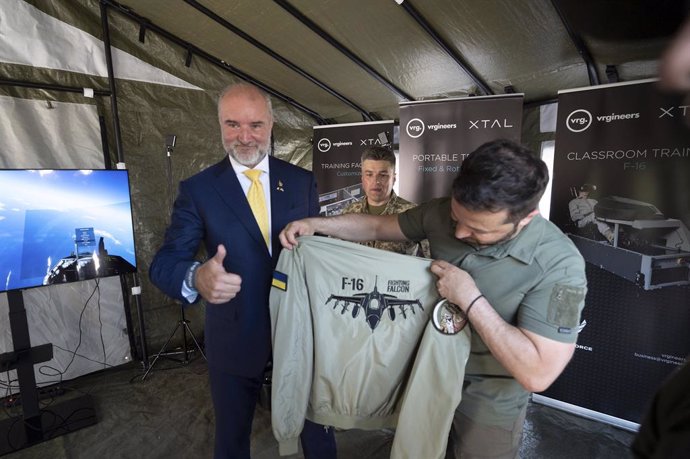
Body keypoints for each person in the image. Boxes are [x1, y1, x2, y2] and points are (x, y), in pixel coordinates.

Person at [279, 138, 588, 458]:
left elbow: (538, 372)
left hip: (488, 399)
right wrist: (315, 224)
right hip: (426, 372)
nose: (458, 235)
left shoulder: (560, 265)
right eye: (456, 219)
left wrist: (471, 300)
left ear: (524, 218)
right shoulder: (440, 212)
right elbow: (374, 226)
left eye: (477, 230)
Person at [149, 83, 336, 459]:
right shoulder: (198, 190)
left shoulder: (301, 182)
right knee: (232, 441)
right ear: (219, 124)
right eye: (233, 125)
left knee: (318, 436)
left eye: (256, 125)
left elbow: (320, 251)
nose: (245, 137)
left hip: (301, 334)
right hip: (234, 338)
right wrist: (196, 277)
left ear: (271, 124)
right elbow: (165, 262)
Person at [341, 146, 428, 256]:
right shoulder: (349, 212)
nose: (376, 181)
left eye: (383, 175)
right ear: (362, 178)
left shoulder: (413, 214)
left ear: (394, 179)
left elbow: (434, 260)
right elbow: (334, 254)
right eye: (369, 175)